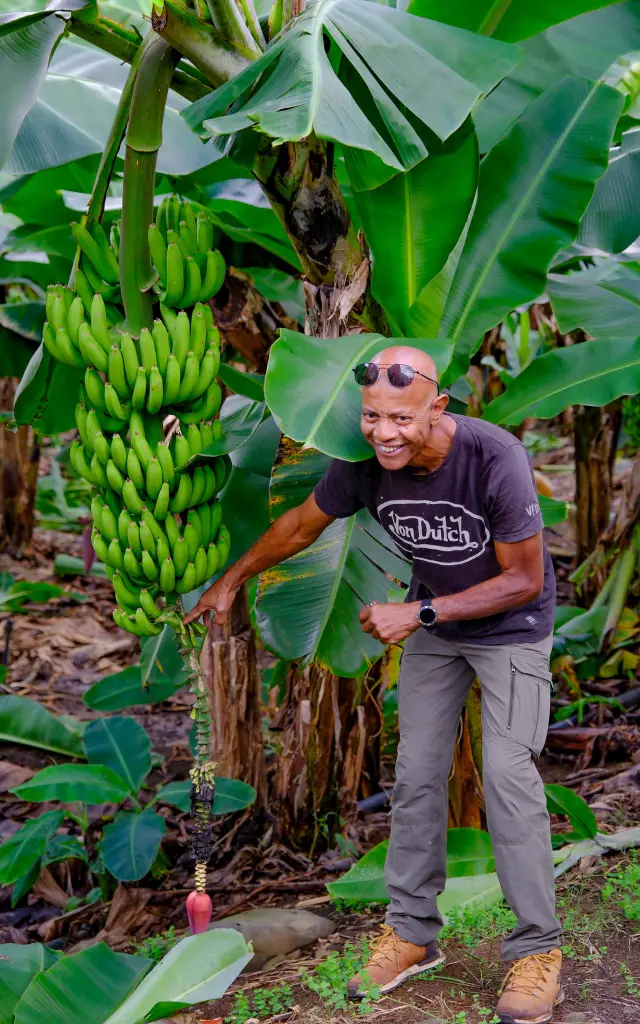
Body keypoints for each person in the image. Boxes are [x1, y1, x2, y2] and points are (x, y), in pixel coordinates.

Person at [184, 346, 563, 1024]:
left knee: (507, 776)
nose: (385, 432)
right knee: (415, 777)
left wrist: (417, 611)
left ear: (438, 409)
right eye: (372, 417)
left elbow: (523, 580)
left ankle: (537, 950)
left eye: (402, 418)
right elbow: (302, 525)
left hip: (511, 631)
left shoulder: (493, 457)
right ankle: (413, 934)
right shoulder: (364, 463)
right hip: (438, 634)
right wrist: (231, 580)